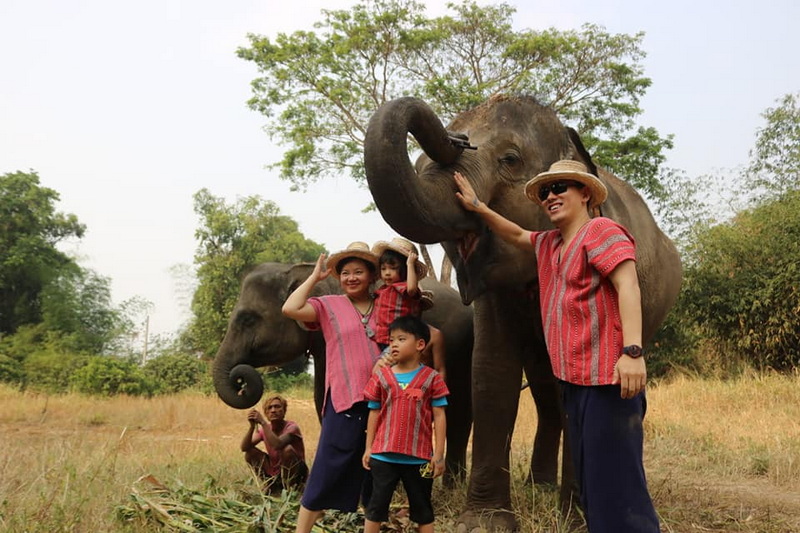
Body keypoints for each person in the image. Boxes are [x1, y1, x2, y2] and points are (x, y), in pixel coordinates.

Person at [453, 160, 660, 532]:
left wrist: (632, 352)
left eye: (561, 187)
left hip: (607, 381)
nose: (551, 196)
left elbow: (629, 286)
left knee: (618, 480)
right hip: (574, 383)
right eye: (546, 192)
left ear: (585, 193)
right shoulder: (550, 244)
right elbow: (517, 235)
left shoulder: (601, 230)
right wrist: (478, 207)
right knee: (591, 478)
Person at [281, 241, 387, 533]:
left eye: (358, 272)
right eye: (345, 273)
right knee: (327, 466)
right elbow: (290, 308)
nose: (351, 278)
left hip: (383, 400)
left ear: (371, 275)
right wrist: (315, 277)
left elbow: (403, 338)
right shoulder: (329, 306)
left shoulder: (386, 305)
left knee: (375, 472)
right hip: (345, 398)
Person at [362, 315, 449, 533]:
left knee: (423, 509)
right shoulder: (381, 377)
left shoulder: (432, 379)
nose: (393, 344)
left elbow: (439, 416)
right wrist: (368, 448)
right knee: (375, 508)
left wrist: (438, 454)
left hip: (420, 459)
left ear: (420, 344)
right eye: (391, 340)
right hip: (383, 456)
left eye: (401, 339)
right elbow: (373, 412)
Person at [371, 237, 447, 381]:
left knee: (377, 372)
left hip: (397, 340)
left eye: (393, 268)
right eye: (383, 269)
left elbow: (412, 289)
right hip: (382, 339)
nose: (387, 273)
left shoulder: (402, 289)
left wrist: (410, 264)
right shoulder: (382, 291)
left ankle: (376, 402)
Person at [240, 394, 308, 492]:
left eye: (277, 407)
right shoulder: (265, 429)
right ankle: (270, 484)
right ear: (266, 413)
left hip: (297, 473)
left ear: (284, 411)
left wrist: (263, 422)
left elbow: (278, 444)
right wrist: (252, 427)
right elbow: (244, 448)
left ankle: (290, 488)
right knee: (250, 453)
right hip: (276, 472)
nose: (273, 410)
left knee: (287, 450)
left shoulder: (292, 427)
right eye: (269, 408)